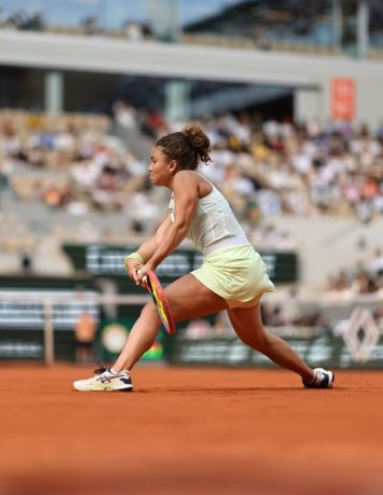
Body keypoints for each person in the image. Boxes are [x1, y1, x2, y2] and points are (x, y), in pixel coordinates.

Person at [73, 124, 334, 392]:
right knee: (258, 339)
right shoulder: (178, 196)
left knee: (152, 310)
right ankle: (313, 376)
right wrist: (134, 257)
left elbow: (181, 226)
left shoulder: (186, 178)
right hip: (246, 266)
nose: (149, 167)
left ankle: (118, 373)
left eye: (154, 161)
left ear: (172, 165)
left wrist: (151, 265)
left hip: (229, 266)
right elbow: (159, 237)